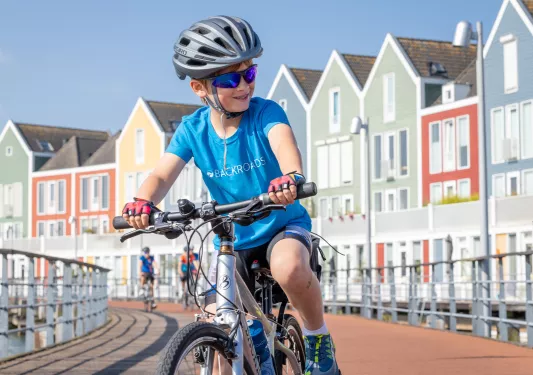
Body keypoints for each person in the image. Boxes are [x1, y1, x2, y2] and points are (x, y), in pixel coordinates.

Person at [122, 16, 340, 375]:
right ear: (199, 87)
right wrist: (142, 202)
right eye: (230, 79)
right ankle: (248, 342)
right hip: (232, 238)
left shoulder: (265, 113)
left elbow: (285, 144)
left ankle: (318, 337)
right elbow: (162, 173)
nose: (244, 86)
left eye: (249, 74)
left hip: (280, 225)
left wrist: (290, 178)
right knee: (217, 315)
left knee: (288, 267)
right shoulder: (193, 129)